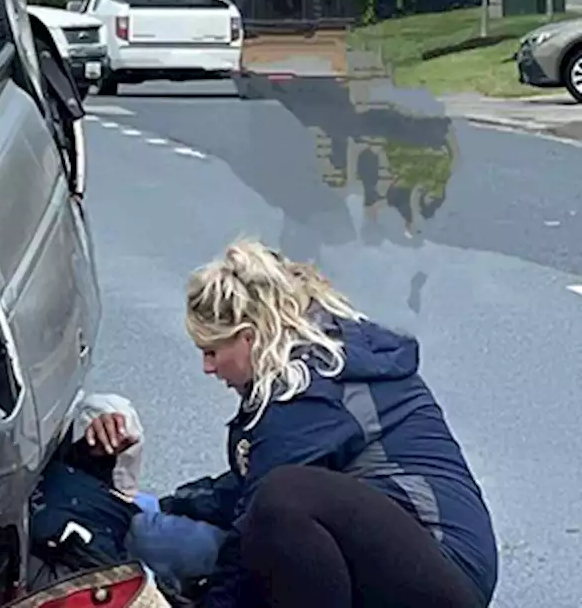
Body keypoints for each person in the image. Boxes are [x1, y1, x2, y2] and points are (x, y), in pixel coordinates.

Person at [157, 238, 497, 607]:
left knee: (282, 500)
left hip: (443, 571)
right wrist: (164, 507)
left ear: (248, 339)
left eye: (212, 352)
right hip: (420, 563)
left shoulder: (311, 386)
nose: (207, 368)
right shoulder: (323, 361)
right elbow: (247, 484)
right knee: (273, 502)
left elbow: (254, 518)